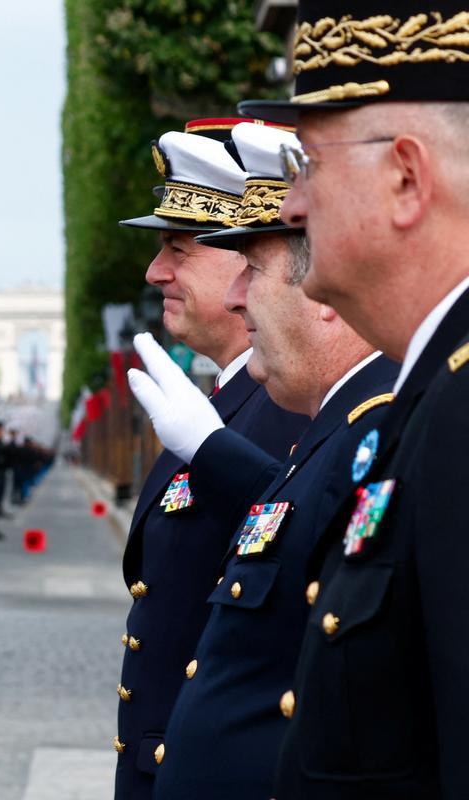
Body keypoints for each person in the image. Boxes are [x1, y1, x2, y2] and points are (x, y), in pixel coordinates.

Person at [235, 1, 469, 795]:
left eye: (310, 165)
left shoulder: (461, 418)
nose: (291, 206)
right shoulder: (435, 399)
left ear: (406, 178)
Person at [128, 121, 399, 798]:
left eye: (250, 267)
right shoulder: (311, 407)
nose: (235, 296)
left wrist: (215, 453)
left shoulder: (337, 414)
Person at [111, 125, 309, 800]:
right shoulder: (232, 402)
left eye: (176, 250)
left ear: (239, 257)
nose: (154, 272)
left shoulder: (289, 407)